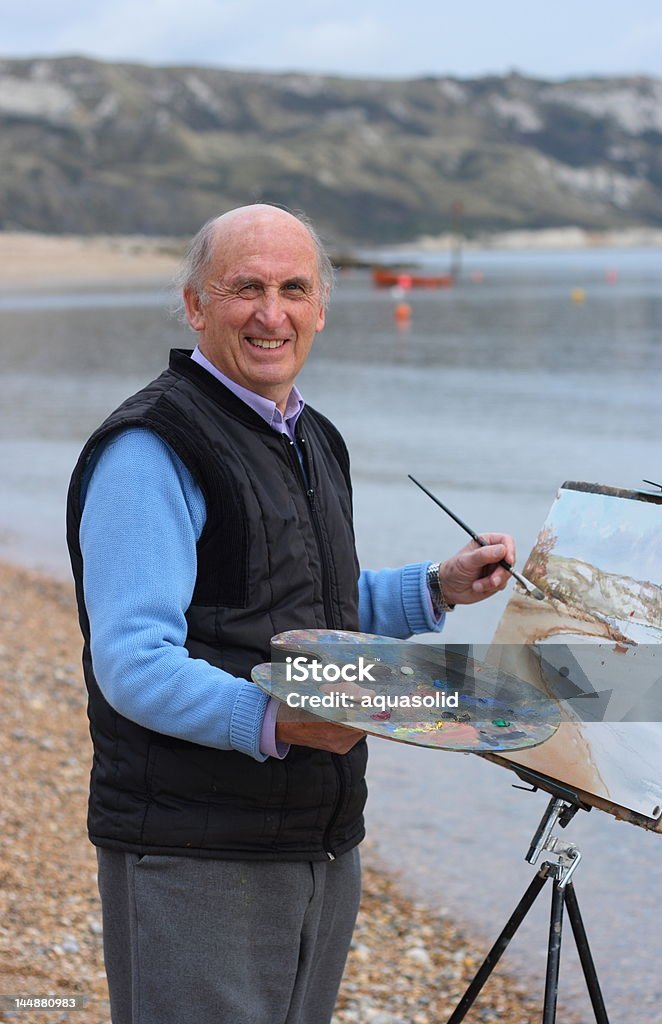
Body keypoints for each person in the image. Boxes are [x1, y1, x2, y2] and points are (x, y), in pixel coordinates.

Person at [66, 204, 516, 1024]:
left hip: (319, 835)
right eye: (245, 288)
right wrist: (275, 718)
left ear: (321, 306)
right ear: (195, 303)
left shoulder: (310, 436)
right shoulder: (150, 449)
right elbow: (131, 661)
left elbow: (304, 607)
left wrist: (437, 587)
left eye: (293, 288)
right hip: (192, 845)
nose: (271, 314)